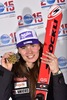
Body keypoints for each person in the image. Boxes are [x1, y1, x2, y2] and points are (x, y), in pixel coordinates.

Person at [0, 28, 67, 100]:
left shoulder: (48, 64)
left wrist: (56, 72)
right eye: (23, 47)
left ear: (39, 46)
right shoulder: (12, 68)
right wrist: (6, 71)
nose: (29, 52)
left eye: (32, 45)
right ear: (18, 50)